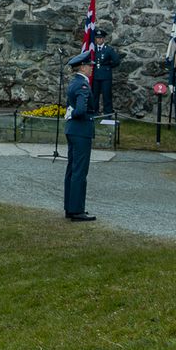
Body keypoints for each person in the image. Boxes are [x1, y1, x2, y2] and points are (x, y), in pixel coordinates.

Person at [63, 50, 97, 222]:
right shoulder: (83, 85)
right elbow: (82, 110)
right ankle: (77, 210)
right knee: (79, 171)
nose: (91, 69)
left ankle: (70, 206)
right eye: (89, 66)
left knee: (72, 169)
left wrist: (71, 113)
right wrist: (74, 113)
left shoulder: (74, 82)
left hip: (72, 130)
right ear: (82, 67)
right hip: (81, 131)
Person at [88, 41, 120, 116]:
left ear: (103, 39)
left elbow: (116, 60)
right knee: (95, 95)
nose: (99, 40)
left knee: (107, 95)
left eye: (101, 38)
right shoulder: (93, 49)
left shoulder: (108, 49)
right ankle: (94, 112)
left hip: (106, 76)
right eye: (97, 38)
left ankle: (108, 113)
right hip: (95, 75)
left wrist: (108, 67)